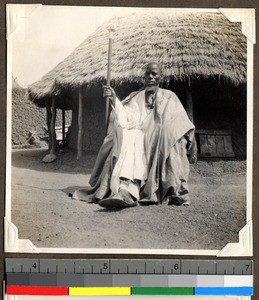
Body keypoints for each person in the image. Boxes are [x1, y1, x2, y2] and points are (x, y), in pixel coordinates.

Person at [73, 62, 197, 208]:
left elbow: (179, 122)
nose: (150, 77)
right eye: (147, 74)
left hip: (157, 138)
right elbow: (125, 119)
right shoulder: (136, 97)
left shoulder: (169, 97)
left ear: (160, 77)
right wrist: (114, 98)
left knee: (143, 139)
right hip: (138, 136)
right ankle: (125, 190)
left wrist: (165, 133)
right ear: (143, 77)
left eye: (154, 74)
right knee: (130, 137)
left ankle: (130, 191)